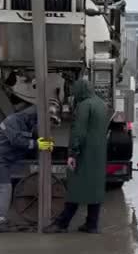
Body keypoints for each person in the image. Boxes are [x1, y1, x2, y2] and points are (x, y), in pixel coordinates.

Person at [45, 79, 108, 234]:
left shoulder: (84, 106)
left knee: (75, 187)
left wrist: (73, 153)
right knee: (95, 188)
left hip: (85, 152)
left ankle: (62, 224)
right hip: (99, 153)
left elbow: (78, 132)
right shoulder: (102, 104)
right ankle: (92, 224)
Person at [0, 105, 54, 232]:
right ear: (31, 117)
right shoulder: (12, 120)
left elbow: (29, 138)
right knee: (5, 188)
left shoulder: (25, 122)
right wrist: (38, 144)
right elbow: (17, 140)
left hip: (0, 157)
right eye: (35, 120)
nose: (35, 123)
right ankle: (1, 220)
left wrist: (44, 141)